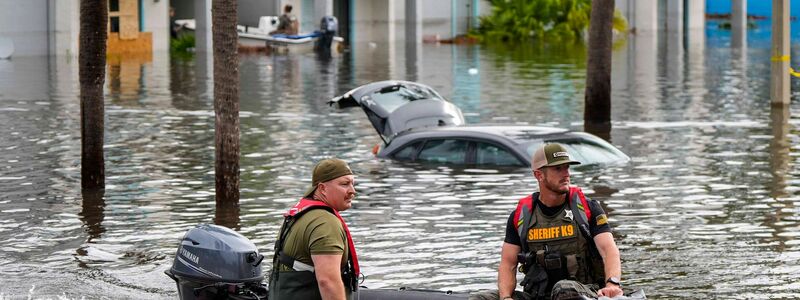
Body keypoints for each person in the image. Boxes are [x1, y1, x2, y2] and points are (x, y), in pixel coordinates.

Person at [473, 143, 624, 300]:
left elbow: (609, 251)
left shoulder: (588, 209)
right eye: (558, 169)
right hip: (537, 296)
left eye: (567, 167)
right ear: (539, 175)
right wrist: (506, 298)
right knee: (481, 298)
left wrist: (612, 284)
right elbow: (508, 264)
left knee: (563, 289)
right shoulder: (520, 217)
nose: (566, 174)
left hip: (584, 293)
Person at [268, 158, 360, 300]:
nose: (352, 191)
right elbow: (328, 282)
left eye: (352, 184)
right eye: (345, 184)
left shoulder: (303, 215)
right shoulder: (325, 223)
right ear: (322, 188)